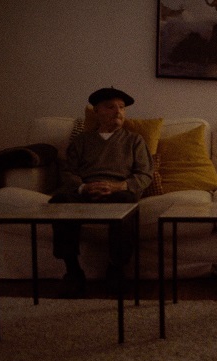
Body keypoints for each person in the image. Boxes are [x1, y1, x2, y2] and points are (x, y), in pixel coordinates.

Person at [51, 87, 153, 298]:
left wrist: (117, 186)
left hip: (118, 192)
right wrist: (84, 187)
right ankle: (73, 271)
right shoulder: (82, 141)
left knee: (127, 203)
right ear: (96, 111)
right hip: (84, 190)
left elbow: (144, 175)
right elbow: (67, 171)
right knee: (60, 200)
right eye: (111, 107)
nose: (118, 112)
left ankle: (116, 269)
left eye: (122, 108)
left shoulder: (135, 140)